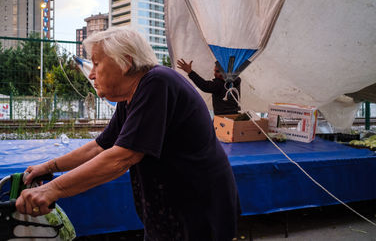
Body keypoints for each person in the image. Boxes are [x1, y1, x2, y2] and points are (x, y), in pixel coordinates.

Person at [15, 27, 240, 241]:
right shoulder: (131, 95)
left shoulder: (157, 83)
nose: (91, 74)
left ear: (125, 62)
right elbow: (100, 146)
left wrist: (52, 189)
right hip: (173, 208)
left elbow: (123, 157)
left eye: (96, 64)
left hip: (197, 207)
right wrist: (49, 167)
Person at [177, 59, 241, 115]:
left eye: (217, 71)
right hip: (235, 114)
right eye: (214, 71)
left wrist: (190, 72)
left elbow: (204, 85)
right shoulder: (236, 81)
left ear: (226, 72)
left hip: (223, 117)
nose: (214, 74)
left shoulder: (220, 84)